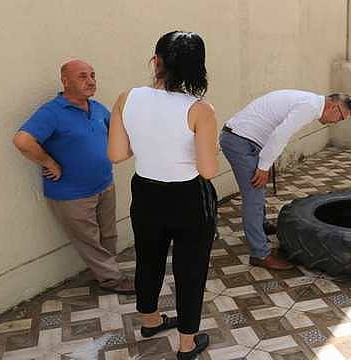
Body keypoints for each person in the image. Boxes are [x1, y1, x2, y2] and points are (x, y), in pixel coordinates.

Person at [107, 31, 217, 359]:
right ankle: (187, 343)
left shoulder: (127, 97)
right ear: (198, 68)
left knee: (148, 258)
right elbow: (208, 170)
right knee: (190, 268)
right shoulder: (201, 110)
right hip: (188, 197)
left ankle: (151, 319)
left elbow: (116, 154)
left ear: (156, 61)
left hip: (145, 193)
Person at [13, 59, 134, 295]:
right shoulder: (52, 112)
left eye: (92, 75)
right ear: (65, 81)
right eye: (82, 76)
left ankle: (109, 271)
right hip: (72, 194)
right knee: (89, 240)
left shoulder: (97, 108)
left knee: (108, 233)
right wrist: (49, 162)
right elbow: (22, 140)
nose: (90, 81)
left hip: (104, 184)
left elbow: (117, 131)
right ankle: (111, 279)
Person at [220, 90, 351, 270]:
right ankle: (259, 254)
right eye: (340, 117)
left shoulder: (311, 103)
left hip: (245, 139)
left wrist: (265, 165)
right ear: (333, 105)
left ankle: (261, 225)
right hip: (239, 141)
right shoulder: (310, 106)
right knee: (253, 194)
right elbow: (280, 135)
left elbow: (278, 133)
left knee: (258, 187)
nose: (337, 122)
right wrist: (263, 166)